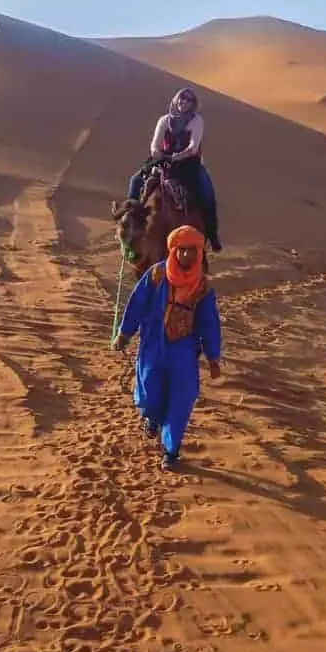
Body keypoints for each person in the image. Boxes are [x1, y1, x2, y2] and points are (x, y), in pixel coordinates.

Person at [114, 224, 223, 470]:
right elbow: (137, 304)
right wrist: (124, 332)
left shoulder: (203, 287)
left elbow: (209, 323)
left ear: (199, 253)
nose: (186, 255)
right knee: (149, 388)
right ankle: (152, 416)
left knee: (182, 398)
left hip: (183, 350)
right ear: (173, 250)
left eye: (191, 251)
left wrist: (213, 357)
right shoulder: (156, 275)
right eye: (181, 250)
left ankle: (171, 451)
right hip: (153, 342)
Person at [126, 87, 223, 252]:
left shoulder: (196, 120)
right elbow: (154, 145)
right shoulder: (164, 120)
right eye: (181, 99)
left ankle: (212, 234)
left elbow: (193, 147)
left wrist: (176, 157)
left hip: (188, 163)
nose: (183, 102)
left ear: (193, 104)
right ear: (175, 100)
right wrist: (158, 154)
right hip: (163, 160)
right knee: (135, 181)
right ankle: (129, 223)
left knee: (207, 193)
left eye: (188, 100)